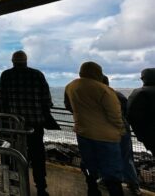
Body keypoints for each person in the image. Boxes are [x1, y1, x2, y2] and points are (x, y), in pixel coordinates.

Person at [64, 62, 125, 196]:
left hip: (83, 132)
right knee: (112, 172)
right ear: (98, 73)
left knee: (89, 165)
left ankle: (92, 190)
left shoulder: (71, 86)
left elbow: (68, 106)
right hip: (106, 137)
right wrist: (121, 130)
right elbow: (115, 115)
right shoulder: (104, 89)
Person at [0, 51, 52, 196]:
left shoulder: (6, 75)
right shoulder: (37, 75)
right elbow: (47, 100)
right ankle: (41, 187)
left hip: (16, 125)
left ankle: (15, 185)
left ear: (13, 61)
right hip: (36, 124)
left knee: (16, 154)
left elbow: (2, 100)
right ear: (26, 61)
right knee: (37, 155)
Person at [102, 76, 141, 195]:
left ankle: (109, 180)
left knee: (108, 158)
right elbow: (128, 112)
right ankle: (133, 184)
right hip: (123, 129)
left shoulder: (100, 96)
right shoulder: (118, 95)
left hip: (106, 131)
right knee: (126, 158)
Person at [127, 68, 155, 155]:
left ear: (143, 78)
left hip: (150, 135)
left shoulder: (139, 93)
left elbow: (132, 117)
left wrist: (141, 136)